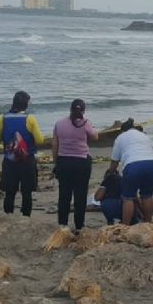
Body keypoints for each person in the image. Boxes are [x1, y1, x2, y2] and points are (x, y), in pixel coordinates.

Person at [0, 91, 45, 216]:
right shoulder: (30, 119)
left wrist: (4, 144)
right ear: (25, 104)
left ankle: (8, 216)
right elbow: (40, 140)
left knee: (10, 192)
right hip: (27, 160)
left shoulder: (2, 118)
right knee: (27, 192)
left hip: (10, 161)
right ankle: (26, 217)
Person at [51, 99, 99, 231]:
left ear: (70, 109)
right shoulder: (86, 123)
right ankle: (79, 226)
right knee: (80, 195)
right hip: (81, 162)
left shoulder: (59, 123)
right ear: (83, 110)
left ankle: (63, 225)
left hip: (64, 161)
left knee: (64, 195)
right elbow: (95, 137)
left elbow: (55, 144)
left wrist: (56, 162)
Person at [108, 118, 153, 225]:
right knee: (147, 196)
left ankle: (125, 225)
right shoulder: (143, 135)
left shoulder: (120, 137)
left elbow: (115, 161)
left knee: (128, 198)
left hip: (133, 165)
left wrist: (110, 173)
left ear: (122, 130)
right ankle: (148, 223)